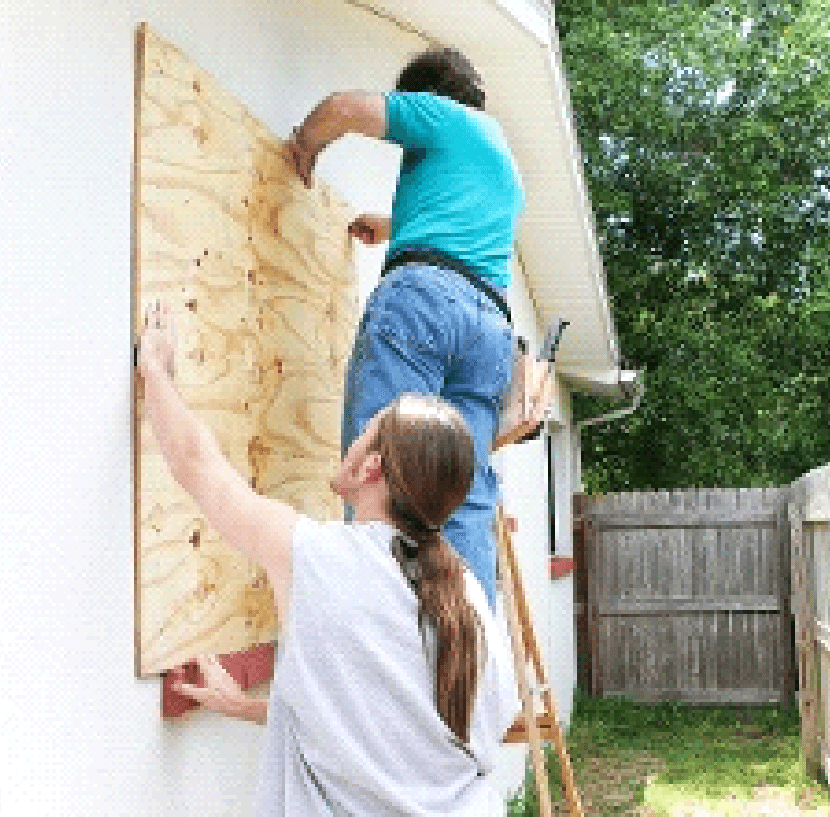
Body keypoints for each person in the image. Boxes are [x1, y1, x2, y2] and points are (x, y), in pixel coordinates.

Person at [137, 300, 519, 814]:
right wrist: (248, 708)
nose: (354, 437)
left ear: (371, 469)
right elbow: (391, 733)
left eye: (365, 430)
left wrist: (154, 371)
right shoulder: (466, 595)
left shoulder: (313, 557)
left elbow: (196, 463)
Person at [286, 48, 525, 607]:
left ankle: (376, 634)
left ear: (428, 96)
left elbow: (343, 109)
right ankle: (460, 660)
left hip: (425, 305)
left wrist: (305, 145)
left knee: (381, 467)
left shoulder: (445, 116)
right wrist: (396, 227)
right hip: (490, 329)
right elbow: (461, 233)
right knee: (460, 488)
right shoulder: (504, 165)